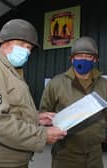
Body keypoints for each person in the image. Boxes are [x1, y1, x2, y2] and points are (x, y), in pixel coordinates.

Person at [0, 19, 67, 168]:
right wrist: (42, 135)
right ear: (5, 43)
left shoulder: (10, 71)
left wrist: (35, 118)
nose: (26, 51)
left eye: (29, 48)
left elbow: (12, 109)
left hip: (10, 158)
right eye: (22, 45)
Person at [39, 36, 107, 168]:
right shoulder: (56, 83)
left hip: (95, 155)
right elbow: (44, 115)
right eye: (79, 55)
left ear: (95, 59)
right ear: (72, 58)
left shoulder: (104, 85)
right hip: (65, 154)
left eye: (88, 56)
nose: (83, 59)